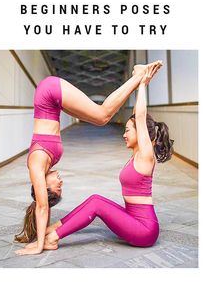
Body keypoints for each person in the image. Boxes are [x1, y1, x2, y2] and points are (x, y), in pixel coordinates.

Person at [18, 62, 174, 253]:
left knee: (102, 117)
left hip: (145, 230)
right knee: (95, 198)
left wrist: (142, 84)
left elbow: (139, 117)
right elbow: (43, 205)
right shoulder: (138, 156)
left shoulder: (145, 156)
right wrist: (43, 230)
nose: (60, 182)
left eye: (127, 130)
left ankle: (54, 237)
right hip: (138, 223)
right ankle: (54, 231)